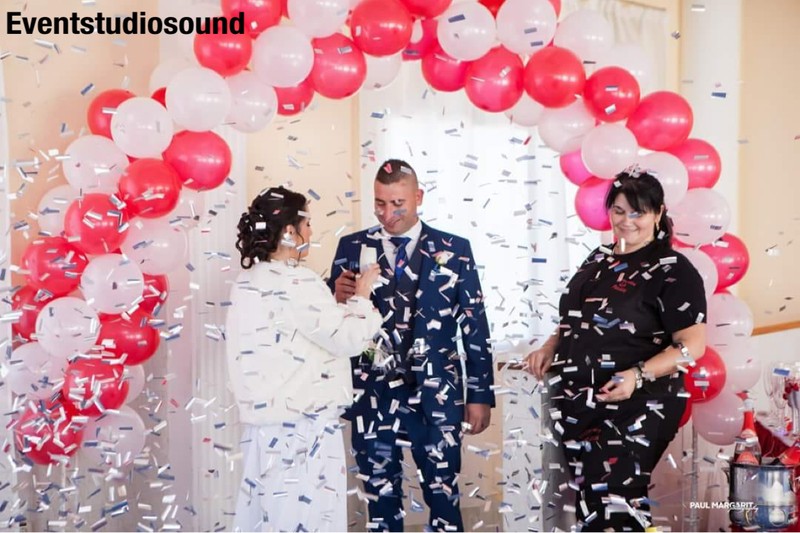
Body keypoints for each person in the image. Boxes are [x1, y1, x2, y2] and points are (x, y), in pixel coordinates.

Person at [526, 169, 707, 531]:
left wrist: (637, 376)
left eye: (638, 212)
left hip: (640, 402)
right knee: (593, 504)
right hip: (582, 401)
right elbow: (576, 317)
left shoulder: (674, 270)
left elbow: (693, 347)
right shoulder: (599, 257)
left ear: (658, 213)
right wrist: (550, 345)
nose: (626, 221)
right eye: (619, 211)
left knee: (617, 501)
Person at [328, 159, 495, 532]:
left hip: (437, 394)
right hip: (373, 392)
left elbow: (475, 327)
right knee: (380, 501)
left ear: (418, 197)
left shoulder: (456, 249)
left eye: (398, 203)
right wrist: (333, 296)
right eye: (380, 203)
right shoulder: (351, 246)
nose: (388, 214)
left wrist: (479, 394)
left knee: (443, 497)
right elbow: (332, 326)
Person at [226, 186, 383, 532]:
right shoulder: (297, 281)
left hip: (264, 430)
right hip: (303, 431)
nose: (311, 232)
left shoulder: (247, 281)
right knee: (310, 520)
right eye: (307, 224)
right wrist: (362, 295)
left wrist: (335, 304)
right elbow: (348, 339)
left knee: (270, 518)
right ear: (289, 231)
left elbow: (300, 333)